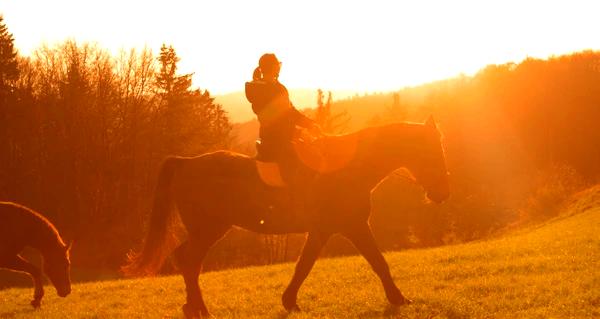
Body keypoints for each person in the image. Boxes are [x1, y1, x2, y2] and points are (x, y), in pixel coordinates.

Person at [245, 53, 322, 184]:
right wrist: (300, 128)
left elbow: (289, 111)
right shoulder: (261, 89)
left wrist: (309, 124)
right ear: (273, 68)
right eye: (277, 65)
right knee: (298, 165)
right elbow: (271, 116)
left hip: (285, 136)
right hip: (274, 139)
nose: (279, 68)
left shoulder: (278, 88)